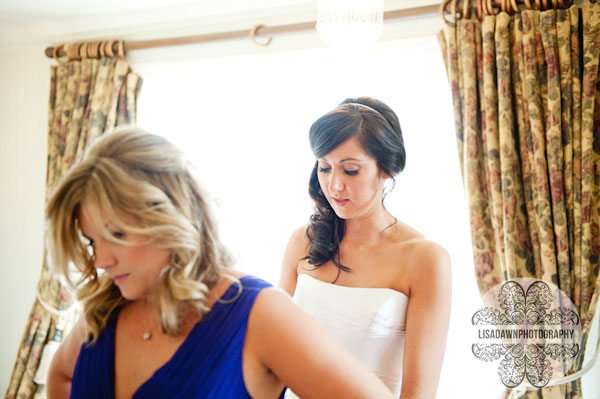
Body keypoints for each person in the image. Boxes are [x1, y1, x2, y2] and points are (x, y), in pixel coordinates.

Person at [45, 127, 394, 399]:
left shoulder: (257, 313)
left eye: (117, 234)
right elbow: (61, 375)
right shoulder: (105, 310)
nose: (102, 261)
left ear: (172, 215)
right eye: (92, 241)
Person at [279, 97, 452, 399]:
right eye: (324, 168)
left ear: (387, 170)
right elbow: (275, 353)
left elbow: (418, 394)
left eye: (351, 171)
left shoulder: (424, 259)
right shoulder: (302, 241)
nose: (333, 186)